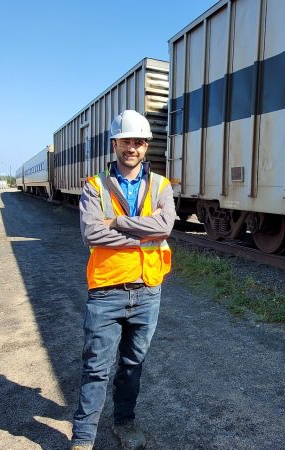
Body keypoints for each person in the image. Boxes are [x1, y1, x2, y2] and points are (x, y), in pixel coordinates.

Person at [72, 110, 175, 450]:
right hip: (107, 291)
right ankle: (83, 439)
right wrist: (139, 234)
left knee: (133, 365)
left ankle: (124, 424)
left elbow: (164, 227)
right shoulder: (94, 186)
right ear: (114, 143)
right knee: (97, 367)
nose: (133, 147)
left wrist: (115, 222)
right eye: (127, 141)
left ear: (146, 146)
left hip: (148, 291)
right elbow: (91, 232)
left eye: (139, 142)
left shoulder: (161, 185)